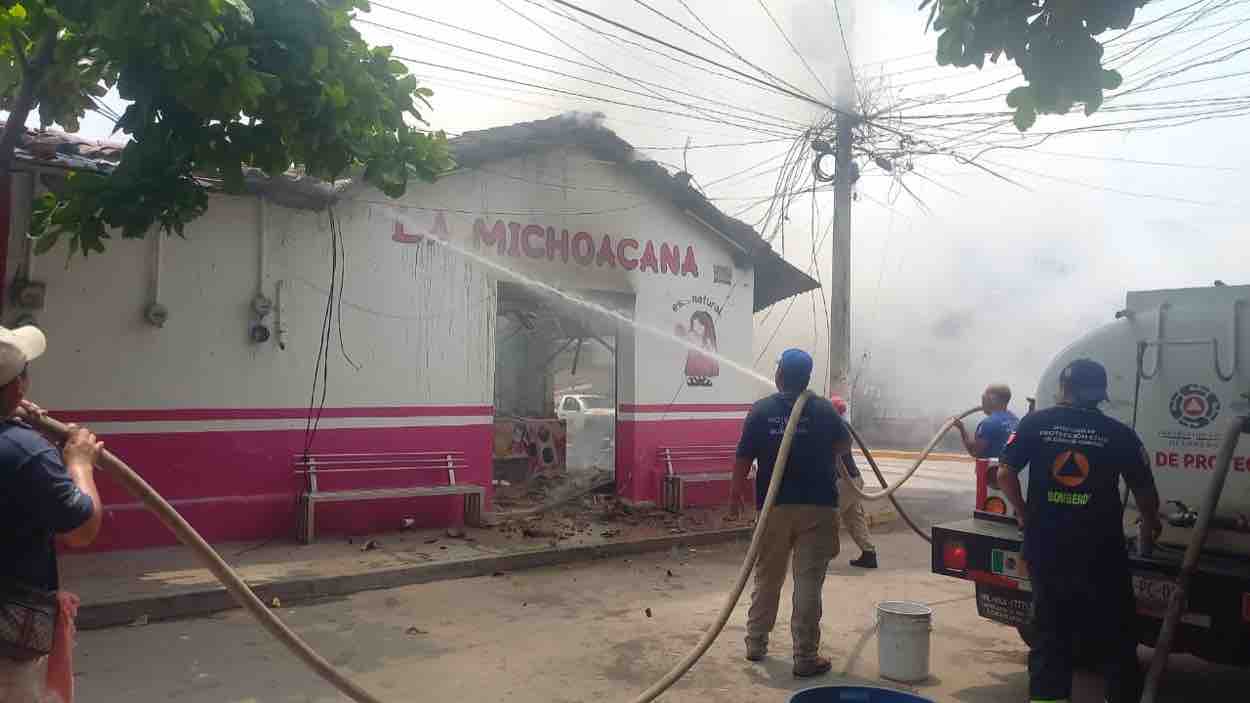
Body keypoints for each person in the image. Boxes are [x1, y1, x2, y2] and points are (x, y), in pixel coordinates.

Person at [997, 359, 1162, 703]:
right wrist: (1151, 522)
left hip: (1047, 547)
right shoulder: (1119, 434)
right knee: (1117, 635)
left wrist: (1023, 512)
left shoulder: (1036, 424)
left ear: (1064, 388)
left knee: (1050, 633)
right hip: (1101, 551)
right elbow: (1145, 490)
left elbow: (1004, 473)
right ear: (1100, 394)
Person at [729, 348, 851, 678]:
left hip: (774, 508)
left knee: (767, 577)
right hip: (818, 507)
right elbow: (843, 445)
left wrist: (734, 497)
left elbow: (742, 459)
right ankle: (805, 657)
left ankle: (755, 643)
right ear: (807, 377)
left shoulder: (762, 411)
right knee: (808, 582)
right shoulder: (825, 410)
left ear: (781, 373)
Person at [1, 325, 104, 703]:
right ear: (19, 387)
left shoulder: (19, 443)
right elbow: (81, 529)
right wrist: (79, 464)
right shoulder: (24, 451)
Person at [829, 395, 876, 569]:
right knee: (854, 518)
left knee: (828, 517)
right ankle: (869, 553)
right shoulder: (842, 426)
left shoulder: (834, 428)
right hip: (854, 481)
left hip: (845, 482)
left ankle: (823, 555)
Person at [955, 384, 1019, 459]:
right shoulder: (1015, 420)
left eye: (984, 398)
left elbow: (975, 452)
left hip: (992, 469)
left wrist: (962, 429)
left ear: (993, 399)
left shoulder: (989, 423)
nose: (982, 402)